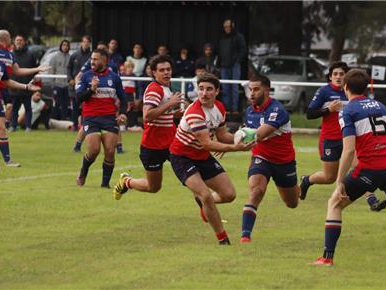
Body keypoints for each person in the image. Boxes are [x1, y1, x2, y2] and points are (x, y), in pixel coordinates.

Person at [310, 69, 386, 266]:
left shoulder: (348, 110)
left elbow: (349, 150)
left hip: (370, 167)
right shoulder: (382, 106)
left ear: (345, 88)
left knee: (335, 202)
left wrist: (339, 181)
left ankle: (327, 258)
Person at [169, 72, 254, 245]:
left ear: (217, 91)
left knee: (229, 195)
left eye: (209, 89)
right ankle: (223, 239)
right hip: (182, 157)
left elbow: (222, 135)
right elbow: (208, 143)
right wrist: (235, 148)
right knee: (206, 195)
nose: (204, 93)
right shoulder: (194, 113)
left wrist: (243, 137)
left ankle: (203, 204)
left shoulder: (219, 108)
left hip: (202, 156)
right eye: (200, 89)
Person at [300, 62, 386, 212]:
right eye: (335, 74)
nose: (338, 77)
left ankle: (372, 200)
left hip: (350, 138)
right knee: (329, 177)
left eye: (341, 74)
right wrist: (328, 110)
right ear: (330, 77)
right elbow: (309, 114)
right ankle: (307, 180)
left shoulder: (354, 92)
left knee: (360, 167)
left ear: (347, 78)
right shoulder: (324, 91)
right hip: (329, 139)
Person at [238, 74, 300, 244]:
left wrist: (235, 138)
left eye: (256, 89)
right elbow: (250, 137)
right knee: (256, 191)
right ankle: (245, 236)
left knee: (292, 203)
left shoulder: (277, 110)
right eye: (250, 89)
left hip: (283, 162)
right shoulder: (250, 111)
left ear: (266, 90)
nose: (251, 93)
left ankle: (303, 184)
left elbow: (259, 134)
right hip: (261, 157)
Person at [113, 55, 183, 199]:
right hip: (153, 146)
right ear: (153, 72)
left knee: (191, 174)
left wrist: (183, 113)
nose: (166, 73)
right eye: (162, 70)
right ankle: (127, 182)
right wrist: (170, 104)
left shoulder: (166, 88)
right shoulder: (154, 89)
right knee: (153, 187)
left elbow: (165, 115)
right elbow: (147, 115)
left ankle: (205, 202)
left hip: (171, 142)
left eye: (168, 69)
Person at [0, 37, 41, 167]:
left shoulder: (1, 66)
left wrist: (26, 86)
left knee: (1, 130)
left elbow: (8, 82)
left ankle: (8, 161)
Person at [75, 48, 127, 188]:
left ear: (105, 60)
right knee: (94, 150)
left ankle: (105, 184)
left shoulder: (114, 78)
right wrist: (91, 89)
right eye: (92, 59)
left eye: (96, 59)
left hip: (109, 118)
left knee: (110, 150)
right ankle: (83, 172)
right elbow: (79, 98)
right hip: (91, 118)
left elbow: (123, 98)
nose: (92, 61)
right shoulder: (85, 77)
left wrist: (123, 113)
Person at [0, 29, 49, 128]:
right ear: (6, 39)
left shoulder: (9, 55)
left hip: (5, 89)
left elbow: (18, 71)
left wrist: (37, 69)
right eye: (12, 38)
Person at [10, 34, 39, 131]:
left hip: (27, 87)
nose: (19, 42)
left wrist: (31, 81)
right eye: (17, 40)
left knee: (28, 108)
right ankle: (13, 126)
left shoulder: (30, 54)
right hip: (14, 86)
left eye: (20, 40)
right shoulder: (10, 54)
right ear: (14, 42)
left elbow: (35, 69)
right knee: (14, 109)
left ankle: (28, 126)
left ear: (24, 42)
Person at [218, 19, 246, 114]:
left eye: (228, 27)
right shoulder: (222, 38)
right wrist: (219, 63)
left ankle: (234, 108)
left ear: (232, 27)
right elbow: (220, 51)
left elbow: (243, 50)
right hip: (224, 66)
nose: (226, 29)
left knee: (234, 87)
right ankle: (226, 108)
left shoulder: (238, 37)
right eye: (225, 27)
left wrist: (237, 61)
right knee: (225, 87)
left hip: (235, 65)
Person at [67, 35, 92, 131]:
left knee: (85, 108)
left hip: (86, 86)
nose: (86, 43)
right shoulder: (75, 55)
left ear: (89, 43)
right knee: (75, 108)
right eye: (84, 41)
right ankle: (74, 125)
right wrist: (70, 79)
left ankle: (84, 125)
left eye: (87, 42)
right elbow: (69, 68)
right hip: (75, 85)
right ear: (81, 42)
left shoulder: (92, 56)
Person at [50, 39, 71, 121]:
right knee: (56, 104)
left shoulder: (71, 57)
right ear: (61, 46)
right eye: (63, 45)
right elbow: (51, 71)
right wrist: (53, 84)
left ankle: (63, 121)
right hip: (57, 85)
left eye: (67, 45)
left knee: (65, 105)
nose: (65, 47)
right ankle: (54, 121)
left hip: (67, 85)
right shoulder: (55, 57)